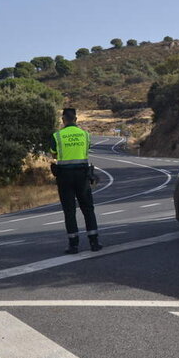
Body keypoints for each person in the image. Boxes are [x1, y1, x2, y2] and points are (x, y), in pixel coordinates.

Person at [50, 108, 102, 254]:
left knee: (69, 211)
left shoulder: (57, 136)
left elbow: (53, 153)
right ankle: (94, 242)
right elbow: (87, 150)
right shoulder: (85, 135)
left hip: (64, 177)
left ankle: (73, 245)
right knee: (88, 209)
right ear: (76, 119)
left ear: (63, 119)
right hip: (82, 175)